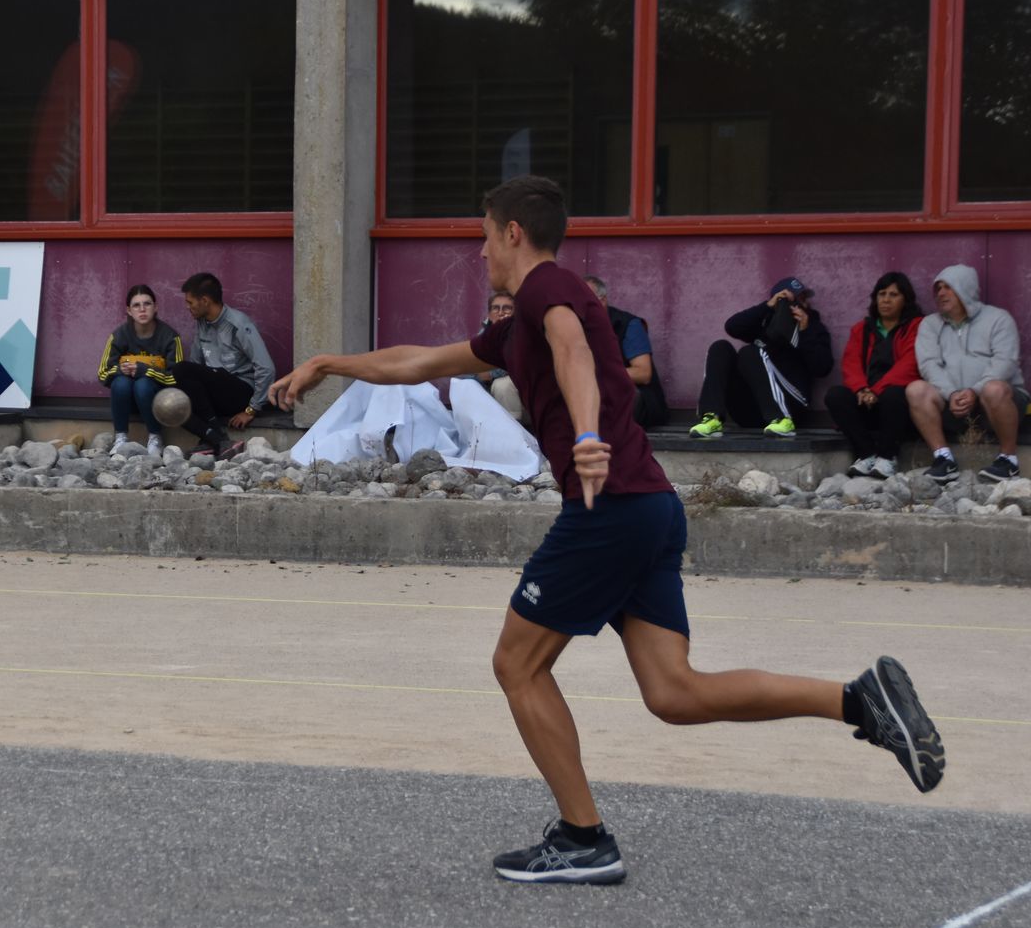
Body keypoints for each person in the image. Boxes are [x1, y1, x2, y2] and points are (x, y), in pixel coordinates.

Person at [269, 175, 944, 885]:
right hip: (649, 505)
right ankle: (860, 700)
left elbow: (574, 353)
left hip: (609, 508)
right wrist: (329, 363)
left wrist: (587, 432)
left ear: (513, 233)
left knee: (517, 665)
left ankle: (583, 837)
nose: (480, 252)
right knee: (674, 692)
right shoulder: (519, 323)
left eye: (485, 237)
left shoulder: (548, 290)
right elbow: (422, 360)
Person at [907, 264, 1028, 484]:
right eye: (938, 288)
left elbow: (1005, 362)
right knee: (916, 390)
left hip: (997, 404)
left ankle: (1008, 460)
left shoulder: (998, 319)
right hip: (952, 404)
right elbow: (928, 364)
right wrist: (952, 393)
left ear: (965, 289)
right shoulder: (930, 324)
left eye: (948, 287)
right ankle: (944, 459)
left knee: (994, 388)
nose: (940, 293)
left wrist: (975, 390)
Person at [688, 276, 832, 439]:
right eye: (795, 300)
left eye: (803, 299)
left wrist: (805, 332)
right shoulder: (765, 324)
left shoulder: (814, 328)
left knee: (749, 352)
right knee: (720, 347)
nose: (802, 304)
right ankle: (711, 417)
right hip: (750, 412)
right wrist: (767, 306)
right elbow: (732, 326)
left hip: (792, 406)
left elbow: (822, 368)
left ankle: (781, 418)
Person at [825, 272, 924, 480]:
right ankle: (866, 455)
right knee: (835, 395)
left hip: (897, 407)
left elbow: (910, 364)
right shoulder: (862, 329)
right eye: (882, 294)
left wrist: (876, 391)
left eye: (893, 295)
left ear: (905, 299)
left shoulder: (916, 326)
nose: (886, 300)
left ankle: (887, 457)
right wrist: (861, 389)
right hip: (866, 400)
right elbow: (850, 364)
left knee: (894, 394)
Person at [169, 272, 276, 457]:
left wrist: (252, 410)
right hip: (216, 392)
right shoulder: (202, 323)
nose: (187, 307)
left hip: (240, 391)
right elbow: (196, 366)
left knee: (181, 369)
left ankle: (213, 438)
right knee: (171, 401)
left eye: (190, 302)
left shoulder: (238, 323)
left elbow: (266, 368)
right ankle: (216, 439)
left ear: (205, 301)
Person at [97, 284, 185, 456]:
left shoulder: (170, 336)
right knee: (121, 383)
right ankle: (121, 437)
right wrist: (121, 370)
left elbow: (177, 378)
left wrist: (145, 370)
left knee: (143, 384)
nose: (142, 309)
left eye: (147, 304)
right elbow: (102, 374)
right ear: (129, 311)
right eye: (136, 305)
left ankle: (155, 437)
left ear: (156, 307)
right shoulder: (119, 335)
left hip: (158, 401)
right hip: (126, 401)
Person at [585, 276, 667, 429]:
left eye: (586, 301)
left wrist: (597, 373)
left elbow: (643, 374)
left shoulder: (627, 324)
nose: (580, 307)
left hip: (639, 401)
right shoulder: (575, 326)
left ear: (603, 300)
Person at [466, 291, 524, 421]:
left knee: (502, 385)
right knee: (467, 384)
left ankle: (513, 429)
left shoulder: (523, 333)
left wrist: (491, 374)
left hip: (527, 403)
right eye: (496, 308)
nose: (501, 312)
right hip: (492, 398)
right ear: (489, 314)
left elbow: (519, 364)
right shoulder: (483, 336)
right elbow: (469, 369)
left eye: (507, 308)